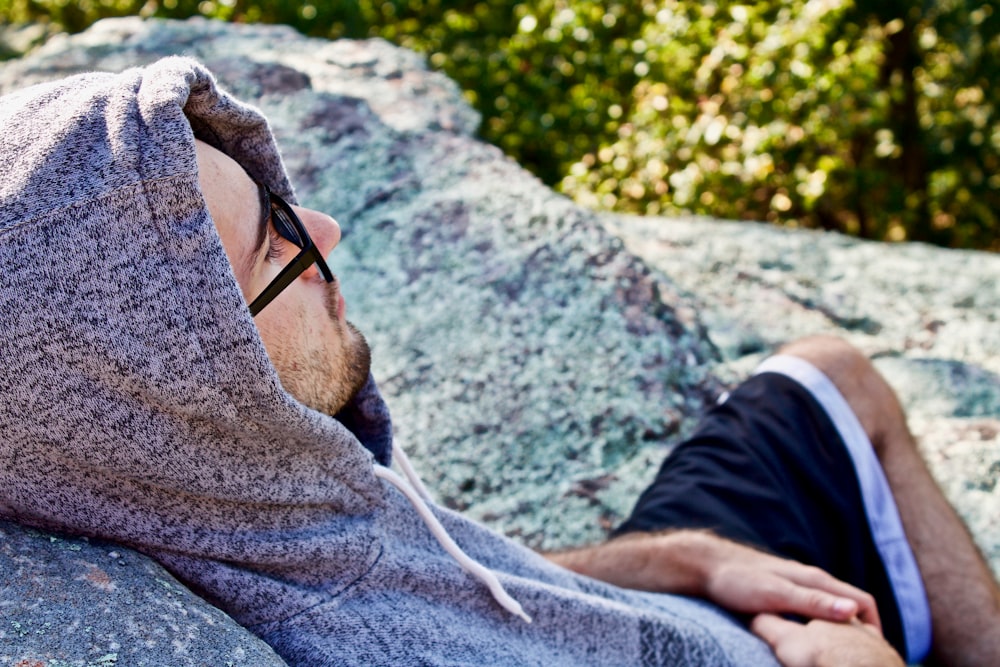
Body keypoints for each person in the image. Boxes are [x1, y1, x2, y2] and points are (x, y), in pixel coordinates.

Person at [0, 56, 996, 667]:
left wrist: (674, 559)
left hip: (658, 599)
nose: (330, 233)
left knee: (830, 375)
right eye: (280, 247)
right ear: (192, 385)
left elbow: (441, 576)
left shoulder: (216, 492)